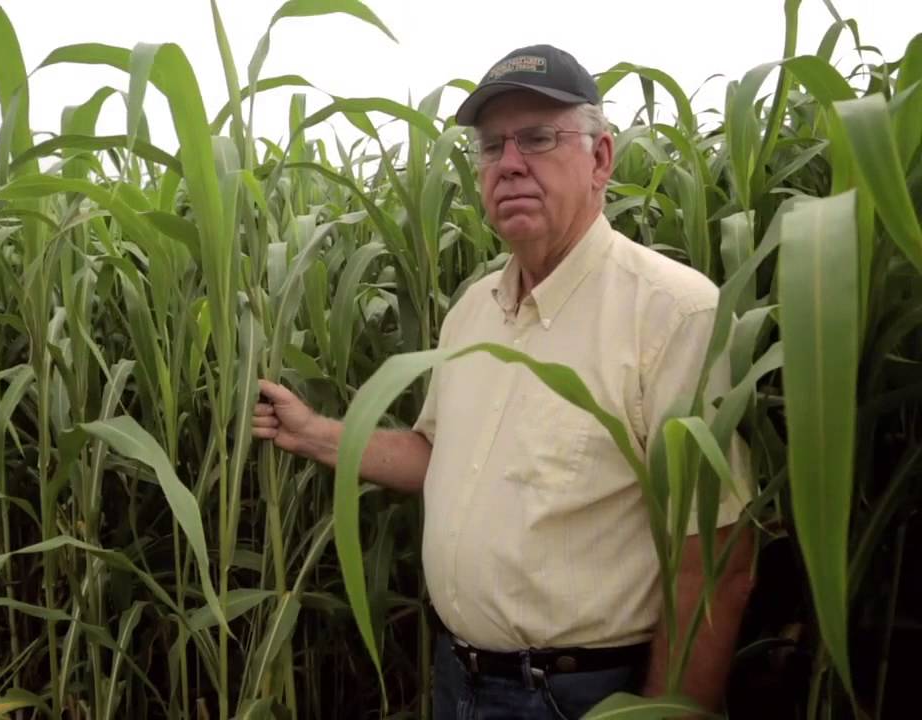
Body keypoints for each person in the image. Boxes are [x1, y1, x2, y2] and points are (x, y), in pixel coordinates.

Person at [252, 44, 756, 719]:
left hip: (580, 695)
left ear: (601, 158)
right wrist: (317, 436)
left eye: (539, 138)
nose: (510, 163)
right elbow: (438, 456)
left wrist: (664, 713)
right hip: (459, 681)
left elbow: (717, 555)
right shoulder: (473, 309)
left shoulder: (670, 313)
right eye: (492, 147)